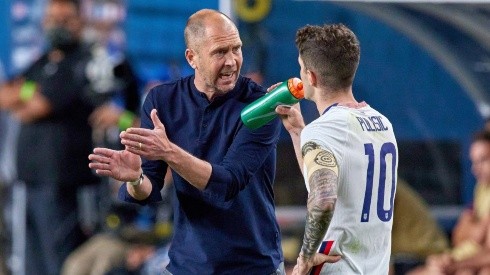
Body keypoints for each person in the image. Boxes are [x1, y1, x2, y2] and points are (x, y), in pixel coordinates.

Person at [88, 9, 284, 275]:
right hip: (188, 265)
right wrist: (134, 178)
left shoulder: (261, 105)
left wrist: (169, 152)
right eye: (219, 52)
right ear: (192, 57)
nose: (232, 61)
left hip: (252, 266)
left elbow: (227, 184)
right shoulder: (162, 102)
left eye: (236, 49)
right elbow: (148, 190)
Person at [275, 23, 399, 274]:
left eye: (301, 67)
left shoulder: (324, 131)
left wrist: (305, 257)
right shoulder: (382, 123)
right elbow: (325, 180)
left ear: (311, 76)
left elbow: (323, 199)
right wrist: (299, 133)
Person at [0, 0, 104, 274]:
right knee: (31, 262)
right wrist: (25, 94)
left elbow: (36, 108)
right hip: (30, 179)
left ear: (80, 21)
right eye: (52, 17)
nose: (57, 24)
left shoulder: (83, 61)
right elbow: (6, 93)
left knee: (58, 261)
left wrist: (24, 96)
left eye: (65, 18)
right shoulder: (43, 61)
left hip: (61, 182)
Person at [407, 129, 490, 275]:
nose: (475, 169)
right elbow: (459, 235)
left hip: (463, 264)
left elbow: (481, 241)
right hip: (456, 259)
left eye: (483, 160)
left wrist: (455, 265)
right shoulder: (481, 188)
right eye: (474, 161)